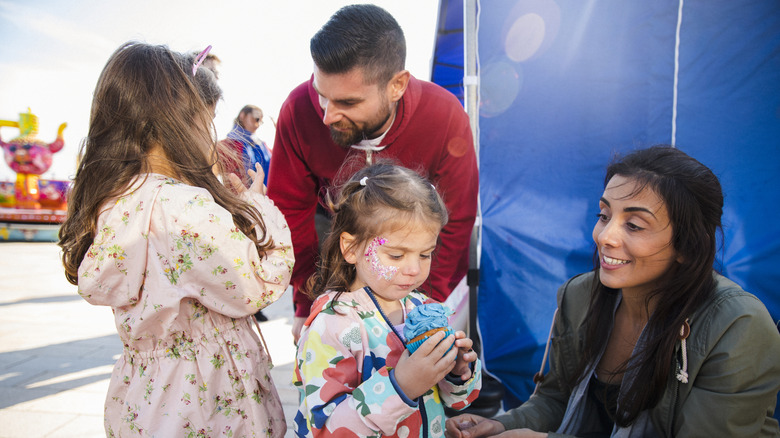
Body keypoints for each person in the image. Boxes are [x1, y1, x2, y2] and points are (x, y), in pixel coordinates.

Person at [445, 146, 780, 438]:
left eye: (634, 225)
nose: (605, 236)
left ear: (687, 247)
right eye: (604, 215)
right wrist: (503, 425)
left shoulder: (736, 326)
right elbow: (555, 398)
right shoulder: (579, 296)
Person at [58, 42, 294, 437]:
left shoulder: (114, 199)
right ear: (179, 121)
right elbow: (256, 284)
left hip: (145, 394)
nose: (211, 131)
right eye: (209, 118)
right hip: (205, 400)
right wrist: (258, 208)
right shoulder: (186, 208)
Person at [267, 4, 478, 342]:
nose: (327, 116)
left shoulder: (444, 116)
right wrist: (306, 301)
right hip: (335, 257)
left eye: (348, 103)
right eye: (322, 96)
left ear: (397, 85)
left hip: (417, 272)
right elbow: (289, 212)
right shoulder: (298, 109)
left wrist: (423, 306)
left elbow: (456, 219)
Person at [292, 163, 482, 437]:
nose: (414, 269)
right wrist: (401, 386)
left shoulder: (424, 308)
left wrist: (456, 371)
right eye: (396, 256)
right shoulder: (332, 326)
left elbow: (458, 400)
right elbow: (323, 431)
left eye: (425, 254)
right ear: (351, 248)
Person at [222, 105, 272, 187]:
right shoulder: (226, 145)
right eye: (256, 119)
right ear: (242, 115)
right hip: (238, 195)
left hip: (263, 194)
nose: (258, 123)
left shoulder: (262, 145)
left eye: (261, 120)